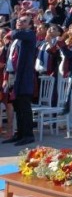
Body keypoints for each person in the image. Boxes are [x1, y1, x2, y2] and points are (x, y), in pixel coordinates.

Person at [2, 14, 37, 146]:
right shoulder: (16, 39)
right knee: (16, 107)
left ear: (29, 25)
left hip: (23, 76)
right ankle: (19, 133)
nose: (19, 22)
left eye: (24, 21)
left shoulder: (29, 35)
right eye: (18, 21)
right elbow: (9, 59)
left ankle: (28, 135)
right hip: (12, 75)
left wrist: (13, 29)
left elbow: (14, 32)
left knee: (24, 107)